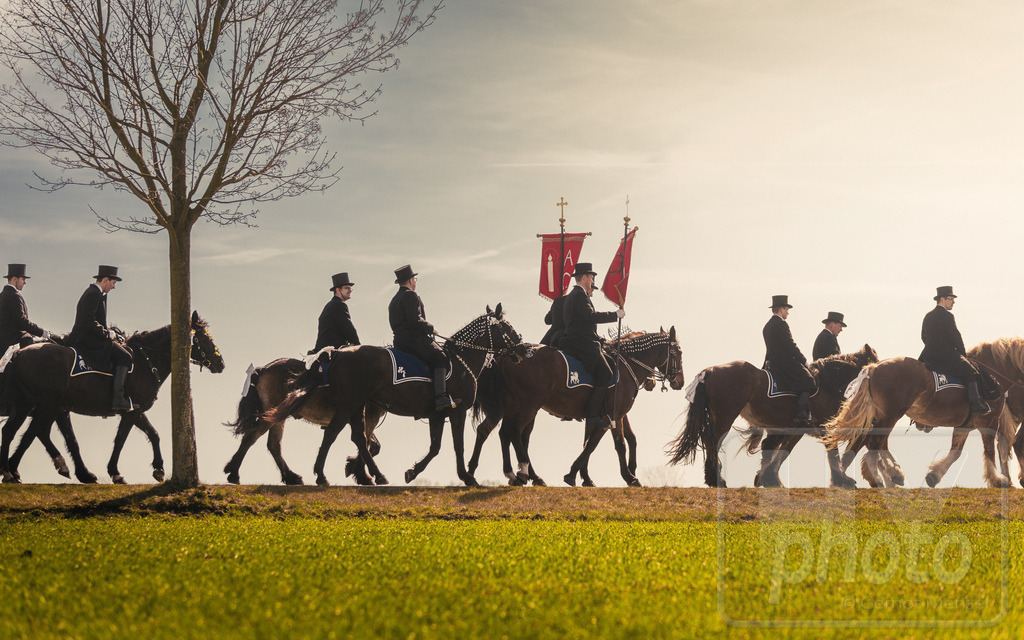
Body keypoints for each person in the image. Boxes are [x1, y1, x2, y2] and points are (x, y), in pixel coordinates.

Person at [560, 262, 624, 429]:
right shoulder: (579, 296)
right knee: (605, 373)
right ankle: (593, 414)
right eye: (592, 277)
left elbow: (581, 322)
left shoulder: (574, 295)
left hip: (579, 340)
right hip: (583, 344)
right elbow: (590, 317)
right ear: (586, 277)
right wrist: (615, 315)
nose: (593, 281)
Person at [388, 264, 457, 412]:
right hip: (413, 340)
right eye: (414, 279)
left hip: (399, 341)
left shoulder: (394, 299)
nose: (415, 282)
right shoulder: (410, 295)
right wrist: (431, 328)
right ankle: (440, 397)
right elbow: (415, 320)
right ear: (411, 280)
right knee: (441, 356)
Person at [68, 265, 134, 411]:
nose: (113, 287)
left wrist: (111, 332)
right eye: (113, 282)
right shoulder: (93, 294)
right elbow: (87, 321)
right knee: (125, 357)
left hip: (91, 336)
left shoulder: (96, 293)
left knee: (127, 349)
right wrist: (106, 334)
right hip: (87, 340)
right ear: (105, 279)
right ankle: (118, 398)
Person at [920, 286, 990, 414]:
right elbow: (956, 337)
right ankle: (975, 404)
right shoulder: (947, 316)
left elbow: (923, 337)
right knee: (971, 371)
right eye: (950, 298)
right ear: (942, 299)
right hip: (946, 356)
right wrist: (963, 356)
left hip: (928, 357)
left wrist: (933, 347)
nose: (953, 301)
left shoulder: (928, 316)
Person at [763, 294, 816, 423]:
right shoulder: (782, 324)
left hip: (772, 362)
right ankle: (801, 412)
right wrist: (804, 361)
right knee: (809, 381)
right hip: (785, 363)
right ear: (781, 310)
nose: (787, 313)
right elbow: (790, 345)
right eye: (786, 309)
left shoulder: (767, 325)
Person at [0, 263, 50, 352]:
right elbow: (21, 322)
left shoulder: (2, 295)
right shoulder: (14, 296)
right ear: (15, 279)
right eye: (23, 279)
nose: (24, 282)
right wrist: (41, 332)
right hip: (13, 343)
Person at [312, 272, 360, 352]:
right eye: (346, 288)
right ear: (338, 290)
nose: (350, 290)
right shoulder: (339, 305)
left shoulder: (331, 305)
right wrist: (358, 347)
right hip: (332, 351)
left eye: (350, 288)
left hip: (322, 349)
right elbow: (348, 329)